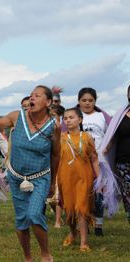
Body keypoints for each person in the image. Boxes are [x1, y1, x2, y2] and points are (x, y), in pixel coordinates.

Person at [0, 85, 60, 262]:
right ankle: (28, 257)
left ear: (48, 102)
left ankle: (46, 254)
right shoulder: (17, 116)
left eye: (37, 96)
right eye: (31, 96)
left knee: (35, 215)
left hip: (40, 178)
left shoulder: (54, 127)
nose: (32, 99)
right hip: (16, 177)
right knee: (22, 221)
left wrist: (52, 182)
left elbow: (55, 154)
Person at [57, 107, 99, 252]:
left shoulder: (87, 137)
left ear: (80, 120)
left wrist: (99, 179)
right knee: (69, 209)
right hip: (66, 178)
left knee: (81, 208)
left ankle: (84, 242)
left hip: (84, 178)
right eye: (65, 118)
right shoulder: (61, 138)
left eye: (71, 117)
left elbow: (94, 159)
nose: (68, 120)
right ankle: (73, 232)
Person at [77, 87, 111, 236]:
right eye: (84, 100)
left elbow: (111, 135)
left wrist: (106, 148)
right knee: (83, 195)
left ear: (95, 101)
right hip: (79, 162)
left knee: (98, 195)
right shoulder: (74, 116)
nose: (87, 103)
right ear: (79, 101)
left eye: (91, 100)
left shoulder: (102, 116)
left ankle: (98, 225)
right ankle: (84, 224)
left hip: (99, 161)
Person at [97, 84, 130, 223]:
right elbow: (113, 135)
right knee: (128, 194)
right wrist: (104, 149)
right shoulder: (121, 114)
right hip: (123, 162)